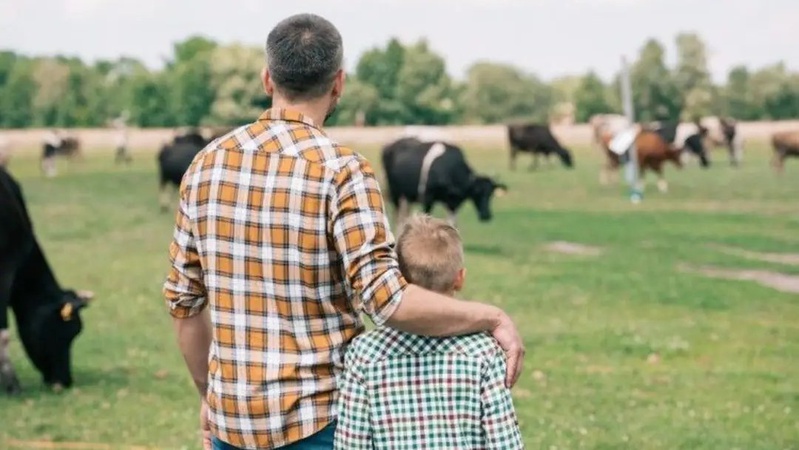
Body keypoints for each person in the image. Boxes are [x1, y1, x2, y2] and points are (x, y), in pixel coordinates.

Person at [162, 13, 524, 450]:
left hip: (230, 426)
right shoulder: (344, 172)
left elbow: (184, 303)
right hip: (324, 424)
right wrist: (491, 317)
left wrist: (209, 396)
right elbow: (386, 300)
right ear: (338, 83)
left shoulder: (206, 165)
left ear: (267, 79)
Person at [335, 214, 524, 449]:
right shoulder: (485, 352)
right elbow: (505, 443)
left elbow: (351, 444)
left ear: (399, 277)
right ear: (460, 279)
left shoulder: (365, 353)